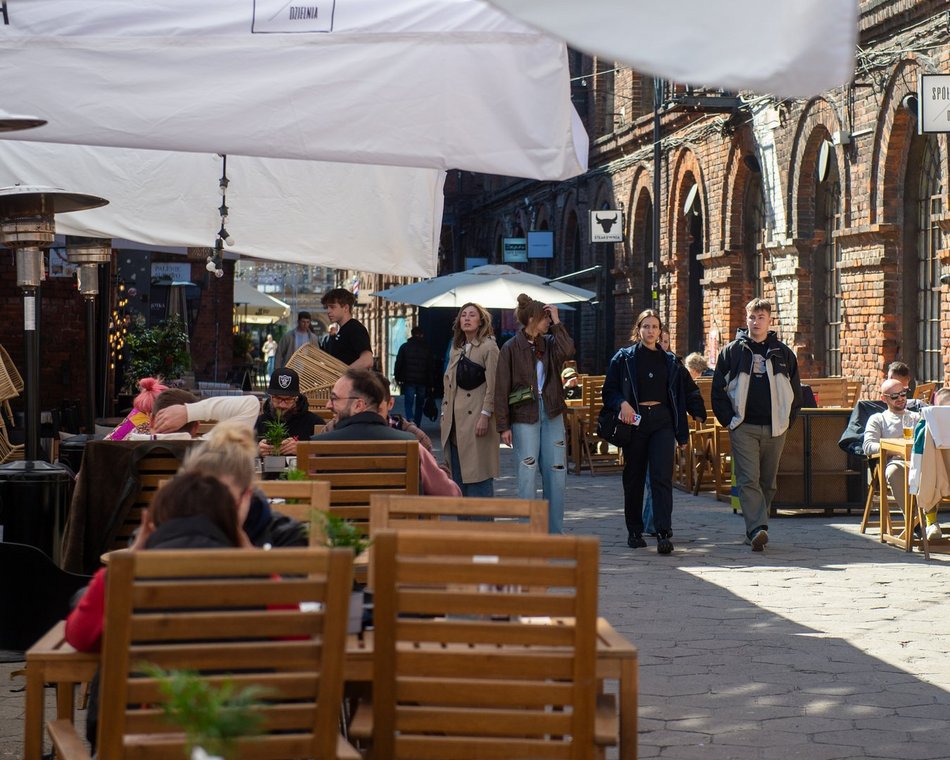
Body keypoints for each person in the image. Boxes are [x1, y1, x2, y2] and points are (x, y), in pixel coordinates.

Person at [64, 469, 247, 751]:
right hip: (240, 739)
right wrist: (251, 553)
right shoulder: (262, 579)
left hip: (141, 743)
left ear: (154, 522)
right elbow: (295, 644)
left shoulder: (121, 578)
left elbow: (79, 637)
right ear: (230, 523)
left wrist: (136, 550)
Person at [712, 298, 802, 552]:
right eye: (752, 317)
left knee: (768, 483)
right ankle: (757, 529)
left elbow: (795, 392)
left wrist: (787, 420)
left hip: (776, 428)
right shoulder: (732, 352)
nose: (756, 322)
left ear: (769, 320)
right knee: (748, 479)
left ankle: (756, 526)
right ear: (746, 318)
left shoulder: (783, 353)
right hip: (744, 427)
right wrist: (730, 420)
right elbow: (718, 391)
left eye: (761, 317)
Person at [603, 310, 691, 554]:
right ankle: (634, 530)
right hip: (635, 422)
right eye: (646, 326)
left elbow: (680, 397)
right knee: (634, 477)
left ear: (660, 331)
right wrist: (622, 403)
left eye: (655, 327)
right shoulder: (624, 358)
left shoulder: (670, 360)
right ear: (638, 329)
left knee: (661, 476)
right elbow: (608, 390)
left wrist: (683, 432)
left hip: (662, 422)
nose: (651, 331)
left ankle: (663, 531)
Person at [495, 294, 574, 534]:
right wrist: (503, 426)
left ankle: (554, 533)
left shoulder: (549, 343)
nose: (548, 321)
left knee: (556, 472)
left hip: (552, 412)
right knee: (527, 473)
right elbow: (501, 388)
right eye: (545, 317)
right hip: (523, 415)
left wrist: (558, 321)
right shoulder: (510, 347)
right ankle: (527, 534)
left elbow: (568, 350)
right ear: (532, 318)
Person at [313, 368, 460, 496]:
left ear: (358, 405)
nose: (328, 405)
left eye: (334, 399)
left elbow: (303, 497)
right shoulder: (411, 445)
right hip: (397, 527)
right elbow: (450, 494)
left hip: (337, 528)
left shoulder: (318, 447)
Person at [183, 419, 308, 548]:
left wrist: (241, 542)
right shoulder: (181, 528)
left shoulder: (284, 536)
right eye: (202, 499)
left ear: (248, 495)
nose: (212, 510)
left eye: (225, 501)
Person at [441, 302, 500, 497]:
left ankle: (482, 526)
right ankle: (464, 526)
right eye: (463, 315)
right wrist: (444, 413)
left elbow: (494, 385)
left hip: (476, 420)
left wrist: (485, 414)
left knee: (478, 477)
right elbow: (448, 386)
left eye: (472, 315)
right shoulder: (456, 348)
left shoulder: (489, 347)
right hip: (454, 424)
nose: (466, 318)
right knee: (458, 481)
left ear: (481, 320)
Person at [864, 377, 921, 531]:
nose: (901, 398)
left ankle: (930, 520)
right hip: (896, 462)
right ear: (884, 398)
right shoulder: (878, 419)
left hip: (920, 461)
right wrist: (896, 450)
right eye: (895, 396)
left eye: (903, 394)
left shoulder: (917, 417)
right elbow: (868, 446)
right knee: (894, 470)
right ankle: (915, 522)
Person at [255, 367, 324, 456]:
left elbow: (325, 453)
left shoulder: (313, 422)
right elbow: (244, 452)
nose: (282, 405)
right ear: (270, 397)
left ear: (296, 398)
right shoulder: (260, 422)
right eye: (277, 398)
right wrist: (256, 450)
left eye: (288, 399)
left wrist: (302, 449)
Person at [149, 388, 261, 437]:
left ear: (151, 421)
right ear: (196, 427)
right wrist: (188, 412)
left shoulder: (133, 445)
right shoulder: (209, 451)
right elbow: (251, 404)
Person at [320, 288, 373, 369]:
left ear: (346, 308)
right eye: (327, 307)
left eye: (332, 307)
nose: (328, 311)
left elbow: (367, 360)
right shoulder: (342, 330)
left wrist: (344, 374)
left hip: (354, 381)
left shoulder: (355, 328)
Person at [394, 325, 435, 426]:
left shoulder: (404, 347)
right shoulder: (427, 348)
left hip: (409, 380)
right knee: (419, 404)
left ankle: (410, 420)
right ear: (422, 335)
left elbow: (398, 363)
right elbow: (431, 367)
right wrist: (431, 383)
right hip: (422, 380)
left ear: (412, 334)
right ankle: (417, 423)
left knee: (408, 402)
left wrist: (397, 377)